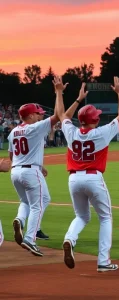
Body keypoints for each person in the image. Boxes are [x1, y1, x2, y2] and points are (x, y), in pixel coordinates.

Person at [53, 76, 119, 272]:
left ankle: (69, 239)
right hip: (93, 178)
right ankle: (103, 262)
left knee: (82, 216)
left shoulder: (71, 132)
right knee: (105, 217)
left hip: (73, 179)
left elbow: (61, 114)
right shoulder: (101, 133)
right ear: (95, 119)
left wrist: (60, 93)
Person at [8, 102, 60, 256]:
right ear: (30, 116)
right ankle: (30, 239)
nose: (40, 115)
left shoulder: (13, 132)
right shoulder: (34, 127)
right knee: (39, 203)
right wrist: (58, 93)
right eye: (38, 113)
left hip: (16, 171)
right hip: (30, 172)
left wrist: (38, 165)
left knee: (26, 201)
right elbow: (57, 116)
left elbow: (12, 156)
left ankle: (20, 219)